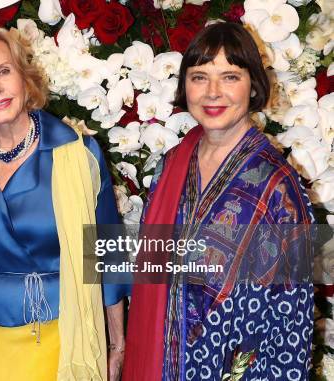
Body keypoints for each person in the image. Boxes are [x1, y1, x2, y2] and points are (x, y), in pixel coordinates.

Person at [0, 26, 131, 381]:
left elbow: (104, 258)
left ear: (25, 78)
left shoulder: (76, 154)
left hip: (61, 331)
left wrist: (117, 344)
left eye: (3, 71)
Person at [122, 22, 313, 380]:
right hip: (161, 360)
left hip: (236, 369)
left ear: (253, 85)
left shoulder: (277, 187)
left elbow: (292, 321)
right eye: (199, 77)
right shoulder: (172, 165)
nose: (213, 92)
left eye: (229, 77)